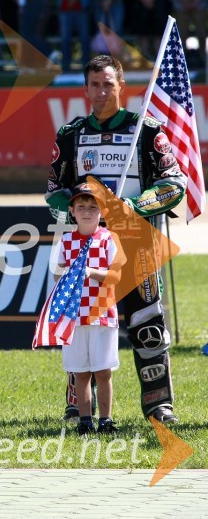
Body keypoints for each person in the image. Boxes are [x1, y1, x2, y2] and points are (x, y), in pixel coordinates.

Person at [45, 55, 186, 425]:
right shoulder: (71, 134)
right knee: (81, 321)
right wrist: (83, 204)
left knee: (146, 322)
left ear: (121, 85)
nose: (102, 91)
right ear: (86, 88)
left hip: (136, 241)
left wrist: (132, 205)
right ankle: (79, 404)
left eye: (108, 83)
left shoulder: (147, 130)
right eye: (95, 84)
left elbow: (174, 185)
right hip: (86, 247)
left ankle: (158, 403)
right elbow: (52, 192)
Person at [52, 181, 124, 435]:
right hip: (73, 315)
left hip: (102, 314)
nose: (86, 211)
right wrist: (65, 274)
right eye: (81, 206)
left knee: (103, 371)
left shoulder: (107, 239)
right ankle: (85, 420)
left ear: (101, 212)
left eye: (93, 207)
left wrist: (90, 272)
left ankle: (106, 420)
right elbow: (57, 274)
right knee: (80, 372)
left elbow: (116, 276)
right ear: (72, 210)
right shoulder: (66, 240)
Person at [53, 0, 93, 73]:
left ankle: (86, 65)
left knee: (84, 37)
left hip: (82, 8)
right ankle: (65, 65)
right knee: (65, 38)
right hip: (64, 9)